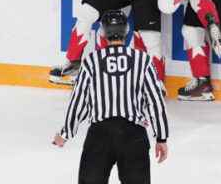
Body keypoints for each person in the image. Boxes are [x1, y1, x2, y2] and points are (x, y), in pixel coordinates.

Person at [53, 10, 169, 184]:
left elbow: (79, 101)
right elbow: (155, 101)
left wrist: (66, 133)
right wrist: (161, 137)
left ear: (102, 32)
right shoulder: (143, 60)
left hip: (100, 136)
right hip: (133, 135)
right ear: (126, 30)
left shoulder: (91, 61)